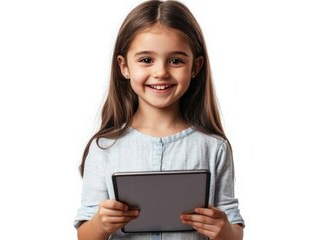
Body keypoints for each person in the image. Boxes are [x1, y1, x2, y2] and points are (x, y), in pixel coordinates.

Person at [74, 0, 245, 239]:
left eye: (176, 60)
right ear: (124, 67)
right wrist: (101, 225)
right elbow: (85, 234)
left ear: (195, 67)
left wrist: (224, 230)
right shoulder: (104, 147)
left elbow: (234, 229)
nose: (161, 72)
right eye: (146, 60)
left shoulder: (214, 146)